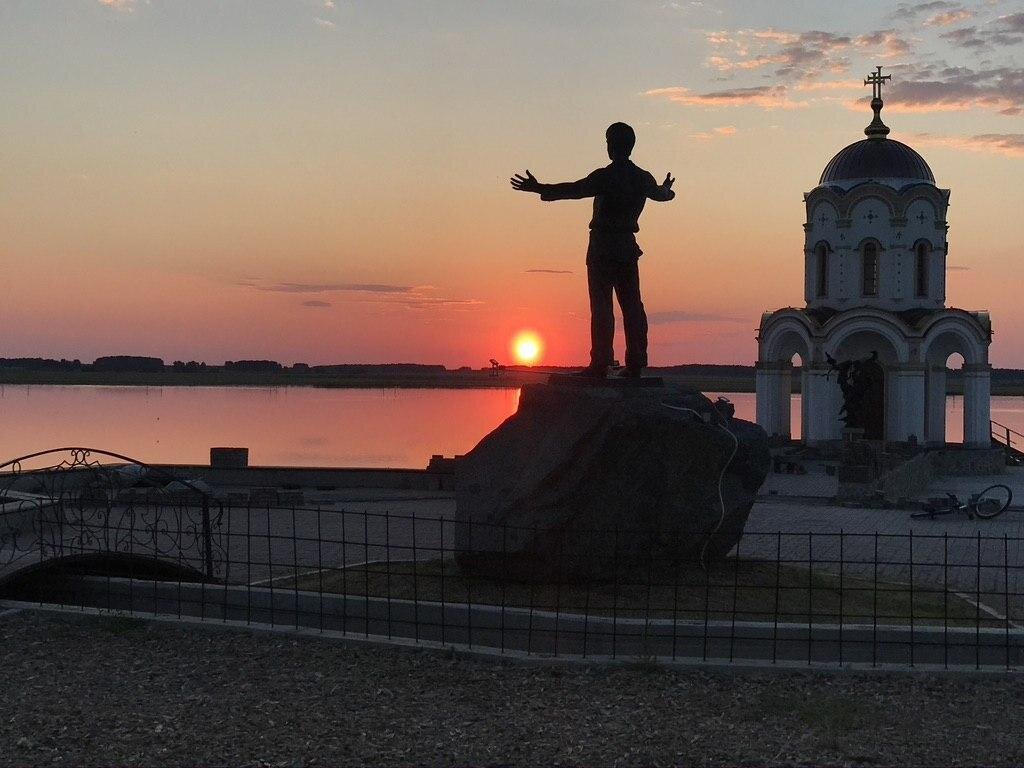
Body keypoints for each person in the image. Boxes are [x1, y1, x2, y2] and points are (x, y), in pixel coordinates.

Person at [510, 122, 675, 378]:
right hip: (627, 248)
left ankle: (600, 363)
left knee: (602, 307)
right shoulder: (643, 178)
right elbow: (662, 194)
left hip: (602, 248)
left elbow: (573, 190)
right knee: (632, 305)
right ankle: (636, 362)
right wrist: (668, 189)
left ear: (612, 146)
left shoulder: (606, 176)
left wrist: (539, 188)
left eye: (608, 142)